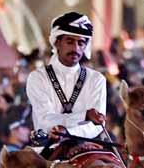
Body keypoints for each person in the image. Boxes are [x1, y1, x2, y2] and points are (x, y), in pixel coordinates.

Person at [24, 12, 107, 147]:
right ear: (57, 42)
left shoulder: (97, 79)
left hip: (85, 146)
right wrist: (83, 116)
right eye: (70, 42)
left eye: (81, 43)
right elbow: (45, 119)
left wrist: (68, 132)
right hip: (47, 149)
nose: (76, 48)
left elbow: (97, 125)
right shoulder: (38, 78)